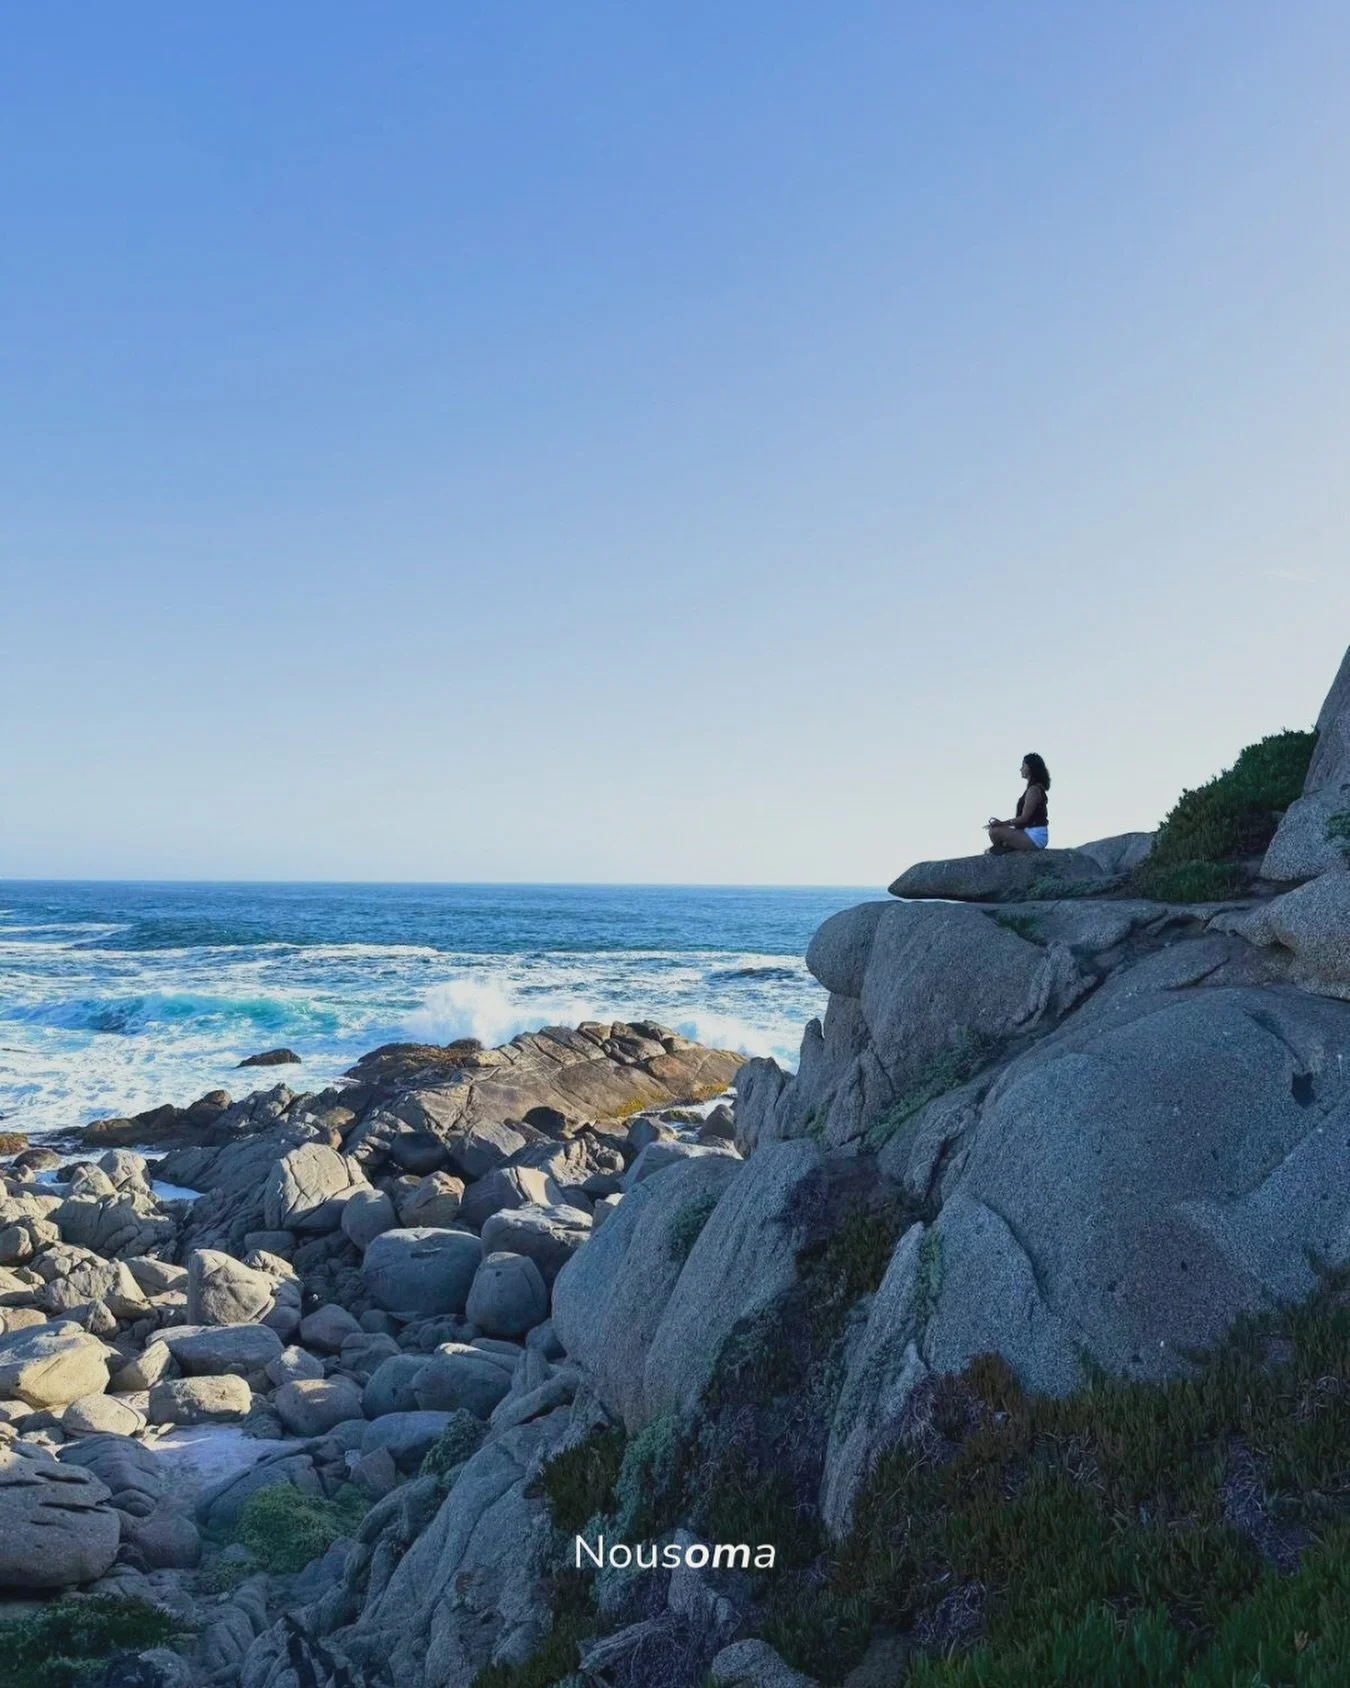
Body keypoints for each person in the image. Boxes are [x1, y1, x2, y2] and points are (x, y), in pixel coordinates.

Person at [987, 754, 1051, 852]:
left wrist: (1002, 823)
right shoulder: (1034, 788)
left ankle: (1007, 847)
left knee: (994, 832)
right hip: (1028, 832)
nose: (1020, 769)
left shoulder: (1034, 790)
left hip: (1035, 837)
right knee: (995, 832)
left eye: (1023, 766)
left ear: (1030, 768)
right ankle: (1007, 846)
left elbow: (1024, 818)